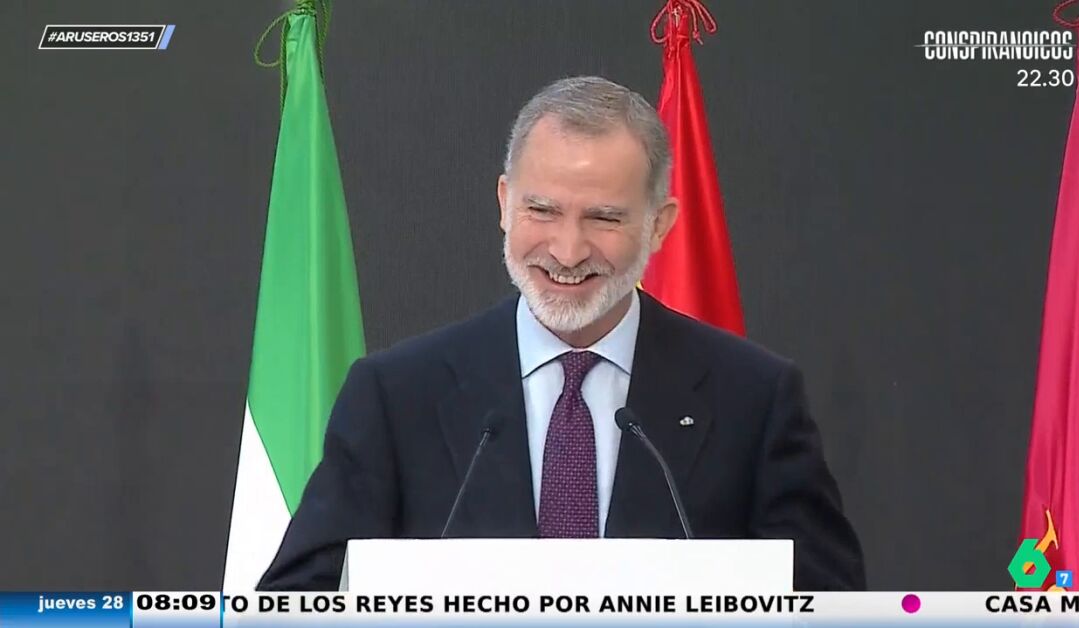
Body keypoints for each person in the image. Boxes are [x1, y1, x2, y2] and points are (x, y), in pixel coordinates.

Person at [257, 76, 865, 591]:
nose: (568, 250)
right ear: (504, 203)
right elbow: (296, 603)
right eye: (542, 210)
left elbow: (832, 608)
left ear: (659, 225)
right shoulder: (395, 396)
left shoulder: (754, 398)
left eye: (604, 218)